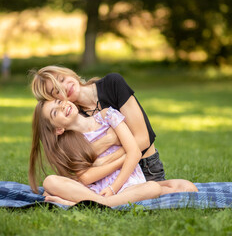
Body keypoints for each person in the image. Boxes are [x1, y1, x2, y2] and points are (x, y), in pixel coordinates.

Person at [29, 99, 197, 206]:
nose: (62, 106)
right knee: (50, 181)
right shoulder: (68, 143)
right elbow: (86, 177)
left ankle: (90, 203)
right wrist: (119, 159)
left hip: (129, 184)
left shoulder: (107, 116)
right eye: (55, 112)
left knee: (186, 187)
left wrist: (113, 185)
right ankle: (103, 203)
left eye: (59, 101)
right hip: (96, 191)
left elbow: (135, 153)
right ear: (58, 129)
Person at [30, 66, 164, 181]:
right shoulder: (74, 116)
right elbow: (81, 160)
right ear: (54, 100)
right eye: (57, 91)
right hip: (108, 177)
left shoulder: (112, 84)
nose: (65, 87)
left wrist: (104, 160)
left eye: (62, 79)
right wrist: (111, 139)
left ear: (68, 73)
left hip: (146, 168)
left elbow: (142, 139)